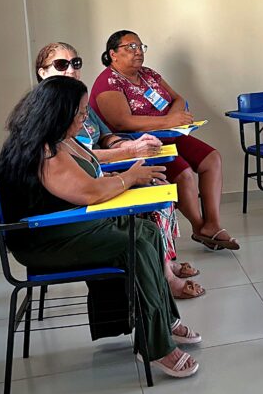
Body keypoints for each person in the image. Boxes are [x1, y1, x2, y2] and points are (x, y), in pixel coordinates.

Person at [0, 77, 200, 378]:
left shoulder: (59, 139)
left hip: (64, 226)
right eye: (81, 112)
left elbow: (90, 164)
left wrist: (127, 160)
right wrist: (130, 177)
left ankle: (165, 321)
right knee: (135, 243)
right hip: (46, 241)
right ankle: (155, 345)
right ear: (60, 112)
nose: (86, 117)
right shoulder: (45, 152)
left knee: (147, 230)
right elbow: (90, 193)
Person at [35, 41, 204, 299]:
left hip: (95, 177)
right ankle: (165, 276)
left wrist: (126, 144)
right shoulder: (48, 111)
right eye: (61, 64)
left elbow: (106, 136)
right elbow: (77, 156)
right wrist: (130, 155)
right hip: (74, 202)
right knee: (148, 204)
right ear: (43, 72)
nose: (70, 69)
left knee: (158, 187)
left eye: (75, 63)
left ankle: (164, 262)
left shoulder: (79, 102)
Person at [90, 30, 239, 251]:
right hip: (139, 143)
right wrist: (169, 120)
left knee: (212, 158)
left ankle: (213, 223)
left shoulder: (148, 74)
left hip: (169, 134)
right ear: (113, 54)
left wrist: (175, 118)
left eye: (140, 46)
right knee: (184, 173)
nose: (138, 51)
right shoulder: (108, 82)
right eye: (131, 47)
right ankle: (199, 227)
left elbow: (178, 99)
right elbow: (121, 122)